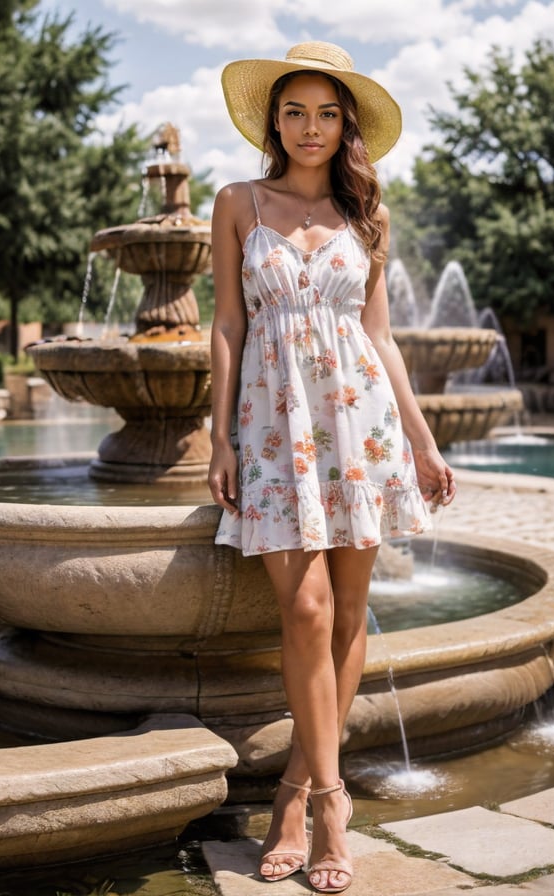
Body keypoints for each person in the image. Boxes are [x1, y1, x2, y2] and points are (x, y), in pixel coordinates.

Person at [207, 42, 456, 893]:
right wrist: (219, 438)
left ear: (345, 122)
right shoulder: (238, 203)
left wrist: (422, 440)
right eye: (293, 111)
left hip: (361, 428)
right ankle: (331, 797)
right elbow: (229, 326)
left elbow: (380, 337)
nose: (309, 128)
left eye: (325, 112)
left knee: (350, 611)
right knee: (305, 608)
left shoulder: (367, 217)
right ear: (273, 121)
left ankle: (301, 793)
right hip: (275, 428)